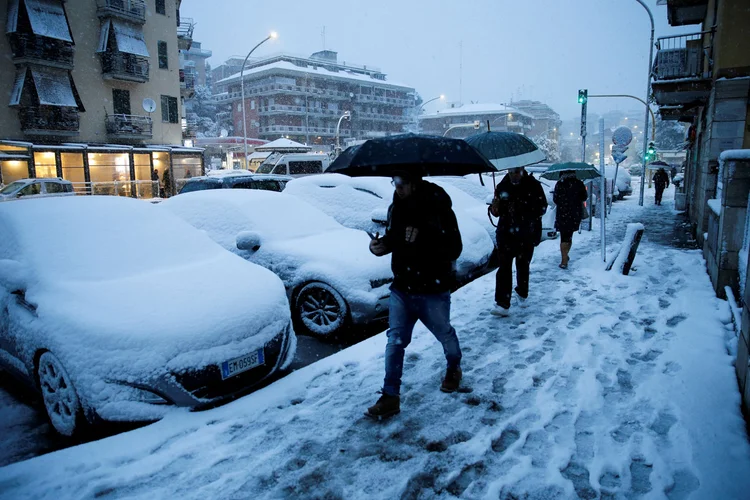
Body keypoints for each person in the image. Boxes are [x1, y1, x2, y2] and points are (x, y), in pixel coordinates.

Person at [366, 171, 463, 419]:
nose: (397, 187)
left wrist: (423, 237)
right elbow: (392, 239)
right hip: (402, 287)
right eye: (394, 182)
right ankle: (390, 396)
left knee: (444, 333)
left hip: (432, 287)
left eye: (401, 182)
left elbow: (455, 248)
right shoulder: (395, 208)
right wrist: (380, 247)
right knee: (395, 342)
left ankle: (453, 367)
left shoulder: (438, 206)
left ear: (414, 181)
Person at [490, 166, 547, 317]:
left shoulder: (533, 185)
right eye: (510, 172)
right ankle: (503, 303)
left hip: (526, 233)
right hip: (505, 233)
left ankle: (522, 292)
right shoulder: (502, 186)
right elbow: (497, 210)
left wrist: (523, 208)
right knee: (504, 267)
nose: (513, 175)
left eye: (516, 172)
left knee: (523, 265)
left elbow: (542, 208)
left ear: (522, 170)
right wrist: (495, 208)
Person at [553, 171, 588, 269]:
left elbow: (555, 199)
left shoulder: (560, 184)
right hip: (574, 213)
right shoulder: (578, 183)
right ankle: (565, 257)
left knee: (563, 236)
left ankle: (564, 259)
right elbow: (584, 197)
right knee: (569, 235)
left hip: (562, 213)